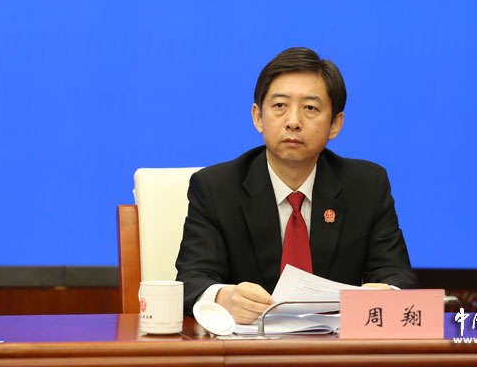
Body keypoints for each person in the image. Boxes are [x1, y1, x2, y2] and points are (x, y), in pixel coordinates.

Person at [176, 47, 419, 324]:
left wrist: (388, 294)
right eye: (280, 106)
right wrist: (224, 298)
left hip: (335, 345)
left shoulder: (367, 186)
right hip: (248, 345)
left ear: (335, 124)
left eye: (310, 108)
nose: (293, 122)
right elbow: (190, 280)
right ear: (258, 117)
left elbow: (399, 276)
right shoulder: (215, 188)